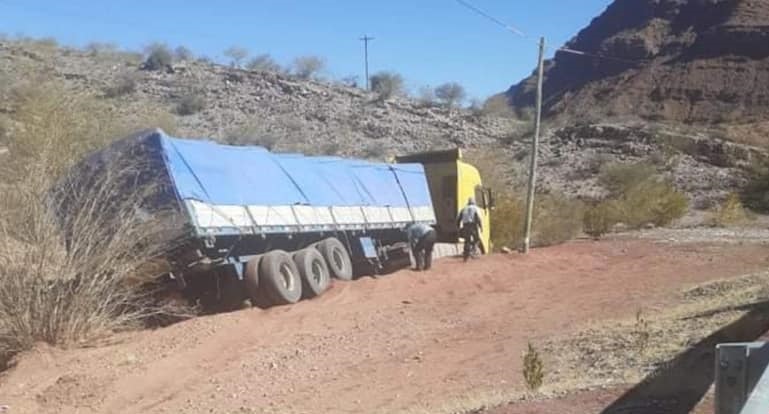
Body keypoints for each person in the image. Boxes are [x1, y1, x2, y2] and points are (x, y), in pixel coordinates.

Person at [457, 197, 483, 261]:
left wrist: (458, 226)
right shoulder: (476, 208)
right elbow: (478, 217)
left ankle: (466, 255)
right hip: (473, 225)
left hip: (465, 226)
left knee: (467, 240)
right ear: (474, 202)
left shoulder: (463, 209)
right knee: (476, 239)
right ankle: (474, 252)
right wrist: (480, 226)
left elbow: (458, 218)